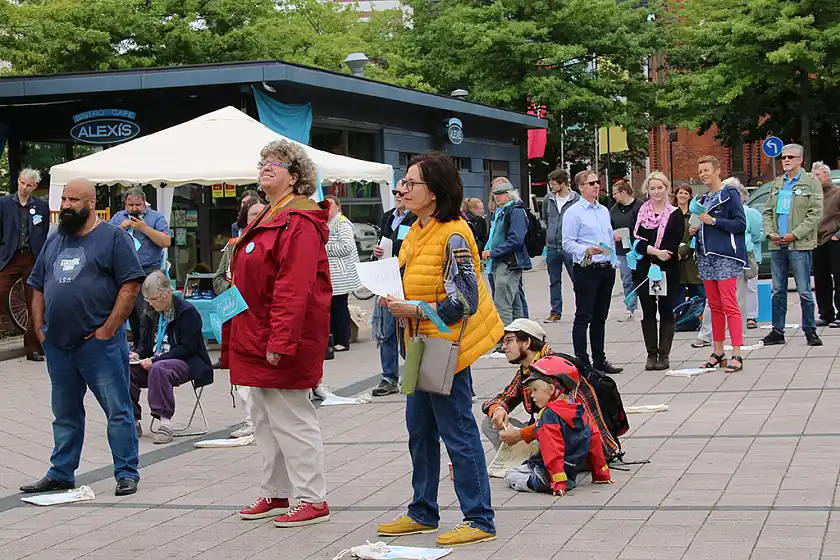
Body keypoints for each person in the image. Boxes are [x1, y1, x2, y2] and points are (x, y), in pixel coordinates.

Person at [375, 152, 502, 547]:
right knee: (420, 430)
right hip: (420, 343)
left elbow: (466, 299)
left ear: (435, 191)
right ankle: (422, 511)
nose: (402, 190)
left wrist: (414, 308)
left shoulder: (455, 233)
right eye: (403, 183)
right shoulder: (415, 229)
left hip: (445, 345)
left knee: (457, 431)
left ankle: (479, 517)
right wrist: (392, 294)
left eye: (411, 183)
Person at [21, 178, 145, 497]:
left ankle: (126, 472)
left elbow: (130, 285)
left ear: (91, 203)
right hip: (59, 345)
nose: (66, 205)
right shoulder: (55, 239)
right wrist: (39, 329)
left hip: (99, 344)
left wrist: (108, 329)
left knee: (117, 409)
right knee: (65, 413)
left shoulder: (113, 238)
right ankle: (61, 472)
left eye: (73, 200)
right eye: (64, 199)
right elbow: (36, 284)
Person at [232, 139, 331, 527]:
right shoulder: (269, 215)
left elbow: (294, 286)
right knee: (262, 416)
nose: (266, 166)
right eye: (263, 161)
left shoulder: (300, 221)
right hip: (256, 333)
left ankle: (312, 498)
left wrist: (281, 341)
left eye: (277, 162)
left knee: (291, 416)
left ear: (295, 176)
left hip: (280, 337)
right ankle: (277, 491)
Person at [503, 355, 612, 496]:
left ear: (550, 388)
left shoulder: (549, 415)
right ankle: (557, 479)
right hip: (571, 471)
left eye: (535, 390)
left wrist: (557, 481)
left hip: (551, 472)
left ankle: (536, 481)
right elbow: (594, 439)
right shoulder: (578, 408)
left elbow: (552, 448)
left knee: (511, 474)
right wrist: (601, 474)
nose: (532, 396)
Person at [129, 271, 213, 444]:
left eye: (155, 299)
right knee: (127, 369)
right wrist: (137, 354)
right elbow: (145, 343)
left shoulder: (187, 312)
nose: (151, 303)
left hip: (185, 361)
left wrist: (154, 361)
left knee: (160, 368)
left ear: (167, 292)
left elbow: (188, 348)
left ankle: (165, 423)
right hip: (156, 358)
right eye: (148, 300)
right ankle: (132, 421)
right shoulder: (151, 311)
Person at [761, 143, 823, 347]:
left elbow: (815, 214)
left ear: (800, 160)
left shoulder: (811, 182)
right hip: (778, 244)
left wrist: (794, 234)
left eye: (790, 157)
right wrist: (771, 233)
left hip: (799, 244)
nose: (785, 160)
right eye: (783, 157)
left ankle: (810, 331)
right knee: (778, 289)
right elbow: (768, 211)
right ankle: (777, 331)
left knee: (804, 290)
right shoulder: (778, 183)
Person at [690, 156, 748, 373]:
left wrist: (714, 221)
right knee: (714, 306)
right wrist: (695, 229)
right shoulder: (704, 197)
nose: (703, 174)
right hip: (705, 256)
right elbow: (702, 221)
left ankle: (737, 354)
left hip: (724, 256)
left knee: (729, 304)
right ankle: (717, 351)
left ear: (717, 170)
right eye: (700, 171)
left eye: (706, 170)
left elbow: (740, 224)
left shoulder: (729, 193)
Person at [214, 198, 265, 437]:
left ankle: (264, 420)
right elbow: (217, 279)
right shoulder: (233, 245)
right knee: (241, 368)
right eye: (251, 214)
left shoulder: (273, 241)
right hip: (236, 313)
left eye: (260, 213)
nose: (256, 217)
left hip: (262, 315)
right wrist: (233, 290)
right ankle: (248, 420)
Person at [562, 170, 623, 374]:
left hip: (605, 266)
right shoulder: (574, 212)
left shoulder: (603, 210)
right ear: (580, 187)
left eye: (597, 182)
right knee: (583, 315)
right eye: (591, 183)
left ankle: (599, 359)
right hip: (587, 267)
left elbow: (607, 237)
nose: (596, 186)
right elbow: (567, 243)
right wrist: (585, 250)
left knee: (600, 316)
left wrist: (613, 256)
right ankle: (582, 360)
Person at [692, 179, 763, 346]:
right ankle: (713, 342)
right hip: (709, 256)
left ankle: (738, 340)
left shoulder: (748, 211)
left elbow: (754, 233)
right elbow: (705, 227)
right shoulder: (705, 201)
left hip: (734, 256)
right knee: (714, 303)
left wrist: (747, 247)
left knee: (736, 300)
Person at [632, 172, 684, 371]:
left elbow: (673, 242)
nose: (656, 192)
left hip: (667, 268)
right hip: (645, 268)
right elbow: (635, 239)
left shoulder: (675, 214)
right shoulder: (640, 212)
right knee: (648, 311)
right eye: (652, 188)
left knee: (666, 310)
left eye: (660, 188)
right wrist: (653, 251)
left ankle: (664, 354)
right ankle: (651, 353)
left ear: (667, 189)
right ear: (647, 190)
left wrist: (662, 254)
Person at [110, 188, 171, 347]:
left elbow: (166, 242)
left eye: (138, 204)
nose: (134, 208)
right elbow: (106, 240)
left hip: (149, 270)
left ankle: (147, 344)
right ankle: (134, 343)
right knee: (127, 309)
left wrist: (144, 228)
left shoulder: (156, 217)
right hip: (124, 271)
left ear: (145, 204)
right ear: (125, 205)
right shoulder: (118, 218)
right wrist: (119, 230)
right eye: (130, 205)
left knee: (146, 311)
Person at [0, 168, 50, 361]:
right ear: (18, 182)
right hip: (9, 258)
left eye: (29, 185)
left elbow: (43, 233)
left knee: (35, 303)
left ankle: (32, 348)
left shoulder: (41, 206)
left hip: (32, 258)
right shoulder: (4, 204)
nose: (24, 187)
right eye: (22, 183)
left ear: (35, 187)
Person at [372, 186, 417, 397]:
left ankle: (414, 374)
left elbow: (411, 246)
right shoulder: (388, 216)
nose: (398, 197)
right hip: (386, 276)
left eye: (401, 193)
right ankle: (388, 377)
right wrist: (377, 250)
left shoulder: (416, 217)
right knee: (386, 330)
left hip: (406, 277)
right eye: (395, 193)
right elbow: (384, 240)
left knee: (407, 328)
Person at [480, 319, 550, 451]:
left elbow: (558, 419)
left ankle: (536, 462)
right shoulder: (527, 370)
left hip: (570, 442)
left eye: (509, 341)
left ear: (527, 342)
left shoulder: (552, 368)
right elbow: (504, 397)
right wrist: (497, 409)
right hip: (543, 429)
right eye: (503, 342)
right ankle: (516, 460)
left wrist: (520, 435)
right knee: (490, 423)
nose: (503, 347)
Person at [482, 177, 531, 327]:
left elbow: (516, 240)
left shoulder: (515, 211)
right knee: (515, 304)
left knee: (502, 305)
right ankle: (518, 338)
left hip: (508, 263)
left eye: (501, 193)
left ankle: (506, 340)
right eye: (495, 193)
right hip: (502, 262)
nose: (497, 196)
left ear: (510, 194)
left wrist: (493, 252)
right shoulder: (503, 211)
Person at [325, 195, 362, 352]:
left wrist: (325, 248)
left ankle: (343, 340)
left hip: (341, 274)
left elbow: (347, 247)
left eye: (330, 205)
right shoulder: (328, 224)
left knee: (339, 307)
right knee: (332, 307)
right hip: (333, 274)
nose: (327, 208)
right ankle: (334, 338)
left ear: (338, 207)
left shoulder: (342, 223)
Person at [542, 169, 579, 323]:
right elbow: (545, 218)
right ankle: (555, 312)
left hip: (569, 246)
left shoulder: (576, 200)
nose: (551, 187)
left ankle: (582, 310)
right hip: (552, 246)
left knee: (577, 280)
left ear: (563, 183)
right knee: (554, 281)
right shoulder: (548, 199)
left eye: (554, 184)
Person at [810, 161, 840, 327]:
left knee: (838, 277)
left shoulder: (837, 193)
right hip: (817, 240)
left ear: (826, 176)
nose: (815, 178)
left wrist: (837, 235)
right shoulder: (813, 196)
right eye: (813, 176)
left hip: (834, 239)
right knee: (821, 279)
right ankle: (826, 313)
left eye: (818, 175)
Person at [609, 180, 643, 322]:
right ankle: (630, 308)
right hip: (622, 250)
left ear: (623, 192)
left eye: (615, 193)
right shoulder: (614, 210)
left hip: (640, 248)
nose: (614, 196)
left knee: (645, 278)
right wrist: (612, 235)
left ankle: (653, 307)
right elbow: (609, 227)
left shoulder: (641, 206)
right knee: (627, 279)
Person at [673, 183, 705, 305]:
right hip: (676, 260)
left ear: (690, 196)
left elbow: (697, 235)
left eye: (686, 193)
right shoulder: (671, 213)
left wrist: (685, 250)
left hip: (692, 261)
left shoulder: (695, 215)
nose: (682, 195)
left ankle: (696, 322)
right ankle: (679, 323)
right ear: (676, 194)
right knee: (677, 298)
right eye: (680, 192)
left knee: (698, 296)